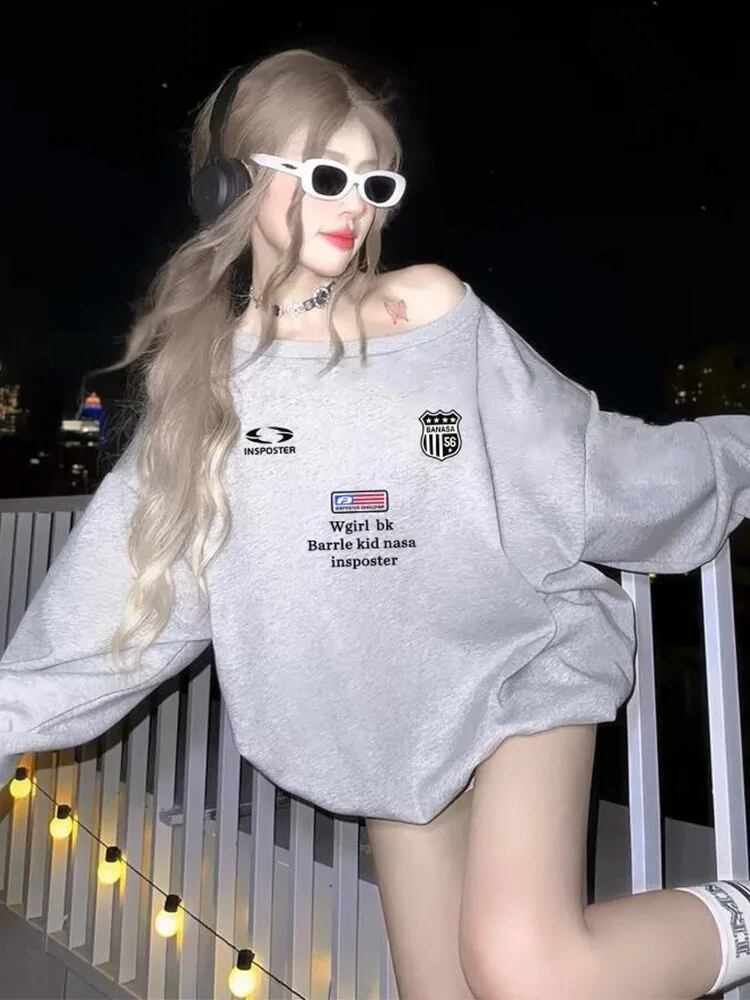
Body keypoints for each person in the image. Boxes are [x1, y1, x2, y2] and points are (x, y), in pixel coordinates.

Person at [2, 48, 749, 1000]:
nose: (354, 206)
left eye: (373, 182)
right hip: (388, 735)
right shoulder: (203, 399)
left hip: (521, 665)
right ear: (231, 184)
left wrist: (738, 453)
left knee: (528, 968)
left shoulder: (427, 311)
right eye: (325, 176)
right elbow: (115, 616)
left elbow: (585, 467)